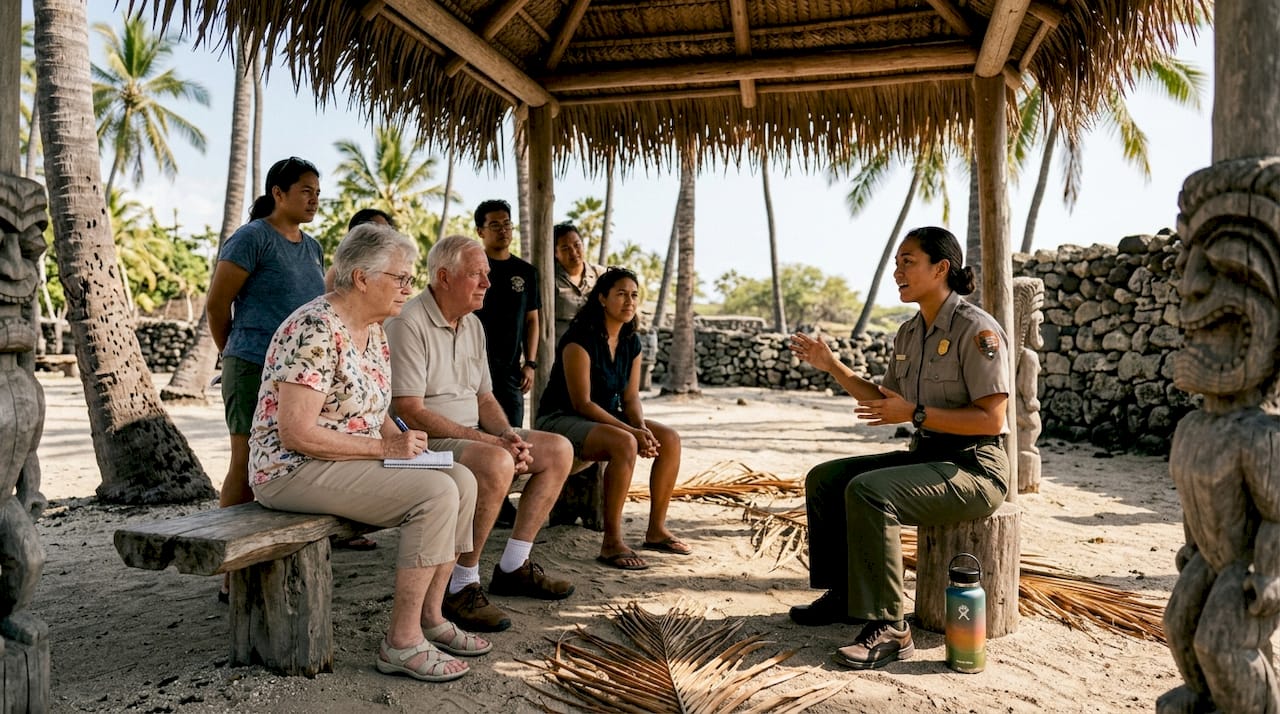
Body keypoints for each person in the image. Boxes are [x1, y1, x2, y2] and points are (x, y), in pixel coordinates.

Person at [249, 224, 487, 683]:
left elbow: (374, 407)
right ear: (361, 278)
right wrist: (384, 448)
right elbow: (296, 433)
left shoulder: (373, 330)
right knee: (436, 493)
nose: (408, 288)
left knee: (461, 478)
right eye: (400, 278)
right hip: (291, 469)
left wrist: (401, 441)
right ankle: (401, 642)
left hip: (344, 460)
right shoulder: (314, 328)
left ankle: (432, 618)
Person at [786, 226, 1010, 670]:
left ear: (941, 267)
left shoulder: (976, 330)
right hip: (928, 456)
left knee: (870, 492)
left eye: (908, 261)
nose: (897, 271)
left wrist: (917, 413)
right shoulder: (909, 333)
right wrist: (832, 366)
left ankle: (891, 627)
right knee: (827, 479)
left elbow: (992, 419)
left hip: (976, 468)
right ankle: (849, 597)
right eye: (896, 262)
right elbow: (887, 403)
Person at [385, 235, 575, 634]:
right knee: (495, 461)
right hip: (421, 441)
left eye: (487, 275)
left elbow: (485, 397)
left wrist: (508, 434)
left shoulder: (472, 324)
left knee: (557, 449)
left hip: (471, 436)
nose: (488, 283)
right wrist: (494, 444)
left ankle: (513, 565)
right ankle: (461, 584)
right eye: (477, 275)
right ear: (444, 277)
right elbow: (408, 409)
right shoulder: (408, 321)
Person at [206, 156, 330, 600]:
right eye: (305, 191)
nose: (314, 199)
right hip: (251, 365)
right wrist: (233, 354)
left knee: (283, 466)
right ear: (278, 193)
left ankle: (264, 561)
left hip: (295, 378)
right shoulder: (252, 238)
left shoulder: (313, 247)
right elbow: (218, 306)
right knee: (244, 463)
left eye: (318, 191)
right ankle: (230, 573)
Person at [536, 268, 686, 571]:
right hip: (562, 418)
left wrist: (641, 428)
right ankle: (611, 541)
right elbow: (583, 402)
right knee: (625, 442)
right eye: (621, 293)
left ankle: (656, 530)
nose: (629, 301)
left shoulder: (631, 342)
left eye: (634, 295)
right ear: (602, 298)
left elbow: (630, 398)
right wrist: (631, 432)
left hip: (606, 419)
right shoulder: (579, 339)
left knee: (668, 439)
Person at [472, 199, 539, 428]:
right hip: (474, 367)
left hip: (511, 373)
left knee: (514, 433)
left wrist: (530, 363)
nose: (503, 230)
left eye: (507, 224)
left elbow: (532, 320)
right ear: (480, 231)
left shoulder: (526, 272)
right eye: (494, 225)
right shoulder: (472, 269)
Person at [551, 222, 607, 344]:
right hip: (559, 351)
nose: (573, 252)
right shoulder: (548, 279)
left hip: (594, 350)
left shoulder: (601, 275)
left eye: (577, 245)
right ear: (555, 253)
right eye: (565, 248)